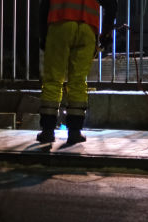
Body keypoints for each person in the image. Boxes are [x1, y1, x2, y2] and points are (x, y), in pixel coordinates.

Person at [38, 0, 117, 144]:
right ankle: (75, 132)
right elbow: (111, 5)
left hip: (60, 25)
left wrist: (43, 35)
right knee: (79, 81)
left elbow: (44, 6)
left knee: (53, 79)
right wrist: (106, 33)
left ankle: (48, 131)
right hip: (87, 28)